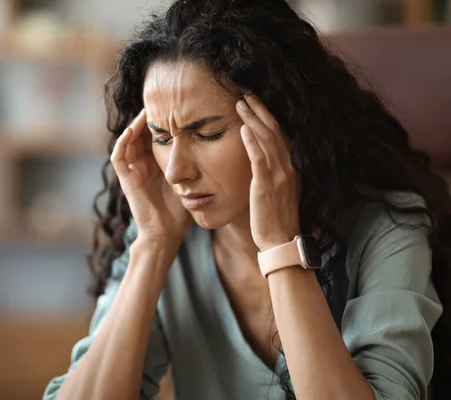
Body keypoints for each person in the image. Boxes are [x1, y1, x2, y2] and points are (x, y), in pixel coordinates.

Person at [44, 0, 451, 399]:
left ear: (284, 121)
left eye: (207, 134)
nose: (175, 172)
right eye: (162, 138)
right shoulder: (166, 230)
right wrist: (151, 246)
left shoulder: (391, 227)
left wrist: (280, 247)